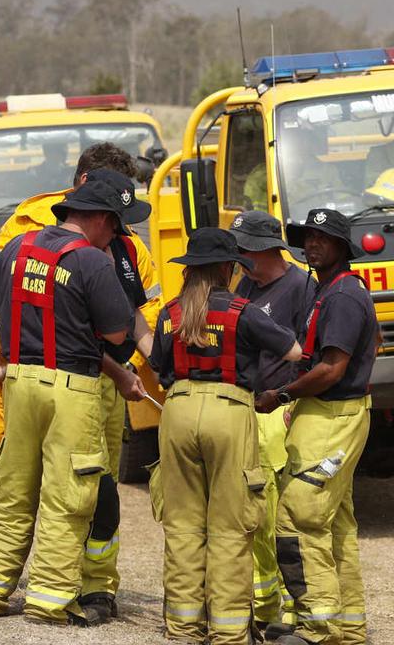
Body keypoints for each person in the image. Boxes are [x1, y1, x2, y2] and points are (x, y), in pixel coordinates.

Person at [0, 143, 162, 624]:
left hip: (18, 383)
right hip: (75, 390)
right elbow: (118, 334)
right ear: (101, 217)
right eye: (119, 223)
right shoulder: (94, 261)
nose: (123, 232)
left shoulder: (23, 245)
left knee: (14, 495)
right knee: (71, 498)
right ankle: (49, 601)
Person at [149, 227, 303, 645]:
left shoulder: (171, 313)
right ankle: (229, 631)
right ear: (226, 269)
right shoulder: (244, 310)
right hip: (230, 410)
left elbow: (158, 364)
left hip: (178, 410)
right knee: (231, 528)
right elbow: (292, 351)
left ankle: (183, 627)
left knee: (182, 526)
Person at [255, 208, 377, 645]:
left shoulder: (342, 295)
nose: (311, 244)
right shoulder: (329, 291)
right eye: (307, 237)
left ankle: (316, 628)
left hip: (332, 415)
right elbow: (373, 344)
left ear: (343, 247)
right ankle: (347, 626)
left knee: (298, 515)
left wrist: (283, 395)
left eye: (322, 238)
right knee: (335, 522)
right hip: (326, 416)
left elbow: (331, 368)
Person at [229, 211, 319, 634]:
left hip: (281, 414)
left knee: (280, 515)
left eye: (243, 247)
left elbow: (314, 354)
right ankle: (265, 608)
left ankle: (289, 609)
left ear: (266, 249)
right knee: (255, 515)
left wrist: (289, 401)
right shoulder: (245, 284)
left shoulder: (302, 287)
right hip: (250, 410)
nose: (238, 256)